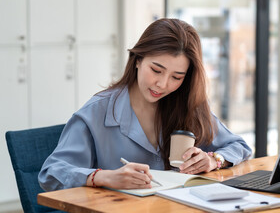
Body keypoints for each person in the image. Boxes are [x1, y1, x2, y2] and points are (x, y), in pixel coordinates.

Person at [39, 18, 252, 191]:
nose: (163, 84)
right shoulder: (97, 112)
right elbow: (51, 173)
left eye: (176, 77)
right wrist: (104, 177)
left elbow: (239, 146)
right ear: (138, 59)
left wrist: (215, 159)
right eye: (157, 70)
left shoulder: (188, 104)